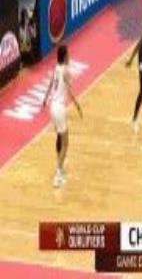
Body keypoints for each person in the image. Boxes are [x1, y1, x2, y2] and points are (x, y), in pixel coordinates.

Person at [42, 45, 83, 188]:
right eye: (68, 54)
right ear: (65, 56)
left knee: (59, 137)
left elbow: (49, 85)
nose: (69, 56)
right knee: (66, 143)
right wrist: (77, 105)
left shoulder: (56, 68)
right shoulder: (65, 71)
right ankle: (58, 174)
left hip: (52, 107)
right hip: (59, 108)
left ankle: (59, 166)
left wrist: (44, 99)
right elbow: (70, 92)